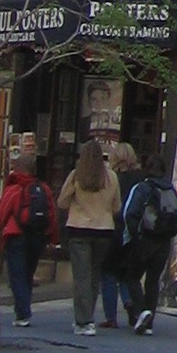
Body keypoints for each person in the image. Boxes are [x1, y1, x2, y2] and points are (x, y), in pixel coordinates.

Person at [57, 138, 121, 336]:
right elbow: (117, 207)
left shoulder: (76, 176)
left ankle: (83, 321)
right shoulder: (111, 177)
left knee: (81, 277)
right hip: (103, 229)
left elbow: (62, 202)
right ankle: (89, 317)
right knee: (94, 276)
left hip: (79, 228)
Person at [117, 152, 177, 336]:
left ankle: (141, 312)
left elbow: (128, 213)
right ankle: (149, 322)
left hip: (143, 240)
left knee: (132, 277)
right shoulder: (171, 191)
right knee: (153, 280)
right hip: (163, 242)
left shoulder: (142, 188)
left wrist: (134, 235)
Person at [0, 145, 58, 329]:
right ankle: (24, 309)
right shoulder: (44, 188)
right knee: (28, 274)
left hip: (16, 236)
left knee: (17, 275)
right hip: (37, 236)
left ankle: (22, 312)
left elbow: (1, 214)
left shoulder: (14, 188)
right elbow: (52, 215)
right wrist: (52, 239)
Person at [100, 140, 139, 328]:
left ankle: (111, 317)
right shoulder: (139, 179)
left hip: (112, 228)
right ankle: (129, 303)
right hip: (132, 230)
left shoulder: (111, 179)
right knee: (125, 272)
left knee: (108, 273)